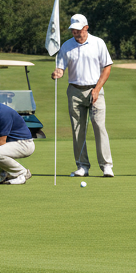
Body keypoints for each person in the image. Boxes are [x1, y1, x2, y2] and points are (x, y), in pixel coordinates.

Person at [51, 13, 114, 177]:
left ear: (86, 28)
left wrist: (97, 89)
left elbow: (107, 68)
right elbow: (61, 68)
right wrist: (57, 73)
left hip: (95, 89)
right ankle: (82, 166)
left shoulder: (98, 43)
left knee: (99, 127)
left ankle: (106, 165)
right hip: (74, 90)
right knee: (78, 129)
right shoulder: (66, 46)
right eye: (73, 30)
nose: (76, 33)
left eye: (79, 30)